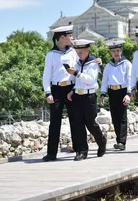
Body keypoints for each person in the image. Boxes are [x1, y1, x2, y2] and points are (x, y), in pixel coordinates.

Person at [41, 25, 82, 161]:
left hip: (71, 88)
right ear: (61, 38)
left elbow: (79, 69)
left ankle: (78, 149)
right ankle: (52, 153)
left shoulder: (73, 53)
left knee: (75, 119)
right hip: (56, 89)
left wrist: (75, 88)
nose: (71, 38)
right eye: (69, 36)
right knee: (55, 122)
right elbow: (46, 76)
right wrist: (48, 92)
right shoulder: (51, 55)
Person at [67, 39, 107, 161]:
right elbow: (78, 81)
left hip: (89, 97)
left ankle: (101, 141)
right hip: (78, 96)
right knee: (78, 124)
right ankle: (82, 151)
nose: (80, 54)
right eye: (78, 51)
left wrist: (77, 73)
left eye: (82, 51)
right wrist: (72, 90)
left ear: (88, 50)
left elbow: (90, 80)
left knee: (91, 124)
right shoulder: (77, 64)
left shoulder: (93, 63)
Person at [100, 40, 132, 151]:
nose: (116, 53)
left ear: (121, 51)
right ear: (110, 53)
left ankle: (122, 142)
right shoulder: (108, 66)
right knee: (115, 117)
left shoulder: (127, 63)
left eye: (118, 50)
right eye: (113, 51)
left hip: (122, 91)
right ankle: (118, 139)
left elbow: (129, 79)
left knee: (122, 117)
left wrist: (128, 94)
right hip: (112, 92)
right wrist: (102, 94)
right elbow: (104, 80)